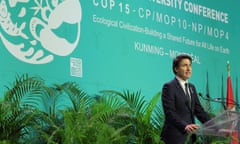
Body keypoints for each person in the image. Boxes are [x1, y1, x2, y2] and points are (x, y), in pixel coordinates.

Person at [160, 54, 211, 144]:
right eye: (185, 65)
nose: (189, 68)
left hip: (189, 138)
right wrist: (185, 126)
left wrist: (216, 126)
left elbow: (199, 111)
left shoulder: (192, 87)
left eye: (190, 65)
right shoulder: (169, 87)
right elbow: (170, 113)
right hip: (174, 137)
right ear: (176, 69)